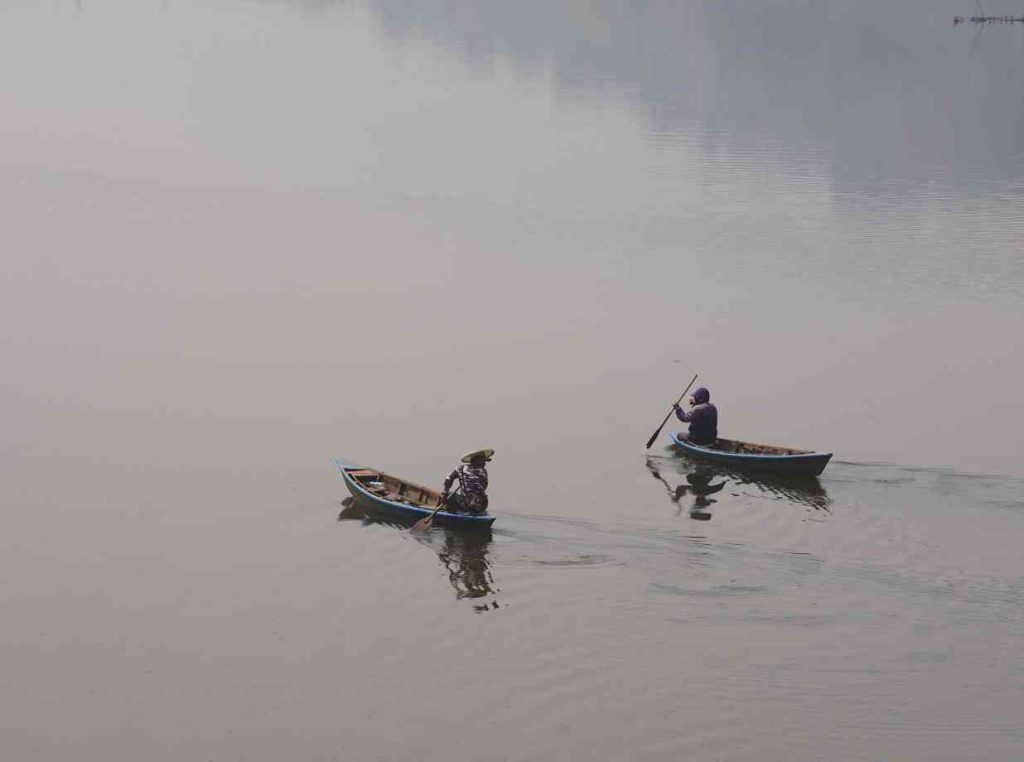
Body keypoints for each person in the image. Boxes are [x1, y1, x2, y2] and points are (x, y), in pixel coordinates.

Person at [442, 448, 494, 514]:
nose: (484, 463)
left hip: (467, 504)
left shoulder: (460, 468)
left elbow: (448, 478)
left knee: (450, 495)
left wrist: (445, 492)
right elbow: (484, 487)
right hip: (482, 505)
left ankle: (453, 512)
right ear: (476, 460)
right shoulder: (483, 471)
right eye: (483, 461)